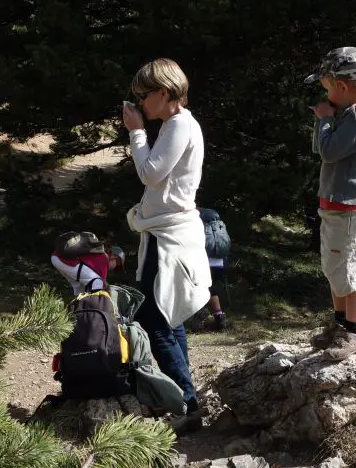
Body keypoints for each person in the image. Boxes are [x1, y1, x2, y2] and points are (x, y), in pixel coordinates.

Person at [121, 58, 211, 430]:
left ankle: (186, 406)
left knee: (152, 319)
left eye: (144, 95)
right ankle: (186, 399)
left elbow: (150, 173)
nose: (140, 102)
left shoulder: (178, 124)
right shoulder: (178, 124)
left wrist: (136, 132)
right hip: (165, 234)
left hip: (169, 237)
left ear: (163, 92)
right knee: (168, 318)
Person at [304, 46, 356, 361]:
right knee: (334, 269)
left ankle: (354, 332)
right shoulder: (347, 113)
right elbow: (318, 147)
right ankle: (339, 326)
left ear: (342, 87)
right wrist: (325, 120)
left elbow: (328, 152)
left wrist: (324, 119)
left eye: (326, 88)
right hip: (336, 206)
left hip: (351, 210)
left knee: (350, 271)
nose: (324, 96)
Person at [50, 230, 124, 296]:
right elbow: (102, 285)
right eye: (117, 266)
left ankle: (79, 307)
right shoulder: (104, 258)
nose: (114, 269)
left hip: (56, 257)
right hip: (64, 260)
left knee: (80, 289)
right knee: (98, 283)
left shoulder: (96, 252)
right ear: (113, 256)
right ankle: (94, 308)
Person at [199, 207, 230, 331]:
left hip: (205, 261)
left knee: (200, 287)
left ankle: (201, 315)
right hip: (220, 262)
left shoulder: (198, 225)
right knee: (213, 289)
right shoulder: (220, 226)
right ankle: (219, 317)